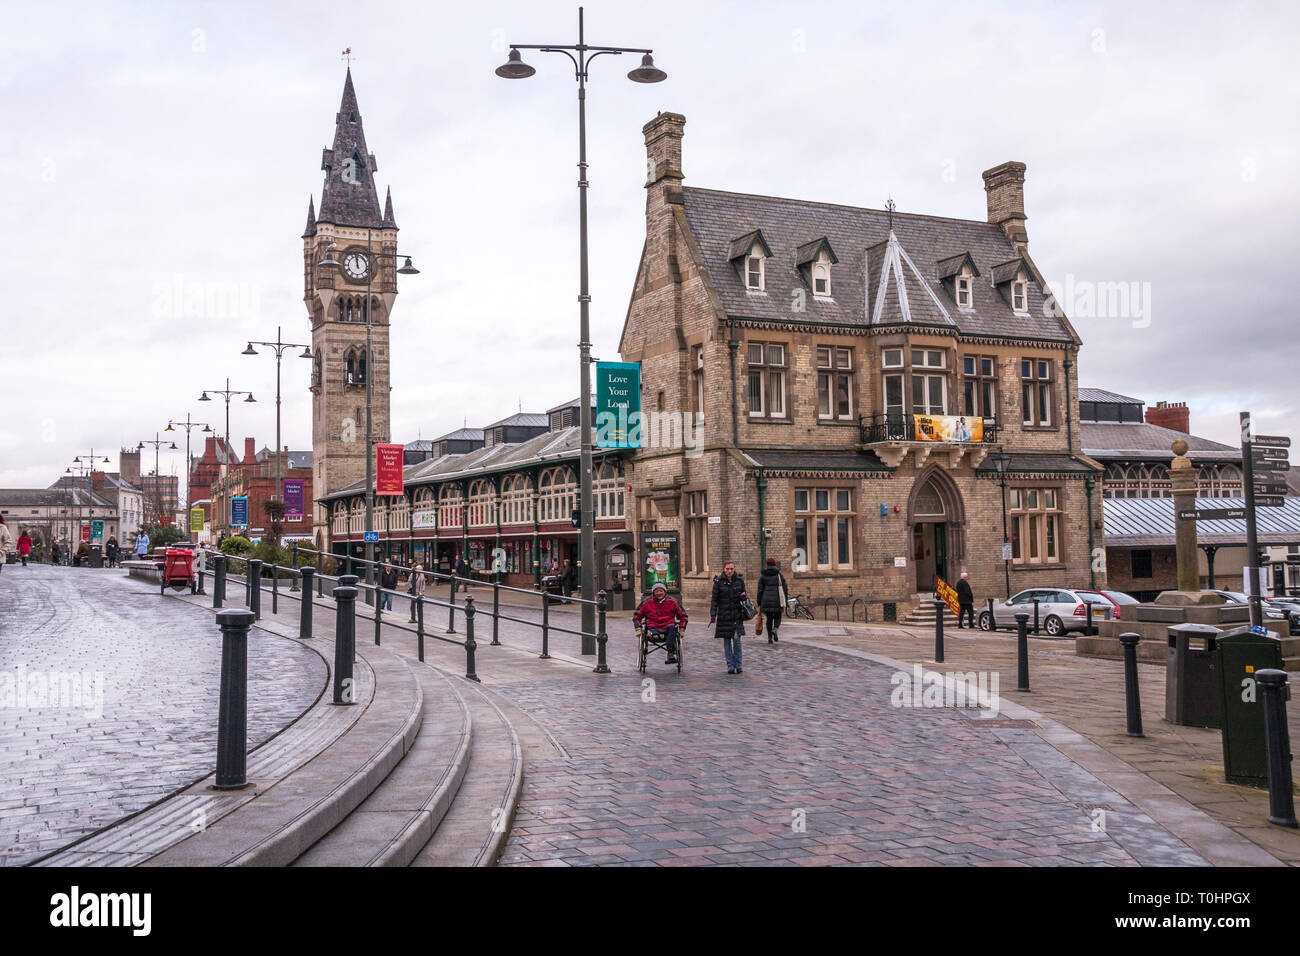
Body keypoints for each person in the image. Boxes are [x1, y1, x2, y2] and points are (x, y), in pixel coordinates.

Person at [634, 582, 688, 665]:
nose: (659, 593)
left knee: (671, 628)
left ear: (665, 592)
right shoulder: (647, 603)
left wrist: (682, 628)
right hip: (653, 628)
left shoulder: (673, 602)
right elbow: (637, 617)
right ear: (653, 593)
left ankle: (670, 653)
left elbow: (683, 616)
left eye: (661, 591)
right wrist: (638, 628)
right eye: (657, 591)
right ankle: (649, 643)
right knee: (650, 631)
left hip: (668, 628)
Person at [710, 560, 749, 675]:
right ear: (724, 569)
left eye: (731, 569)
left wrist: (743, 597)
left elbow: (744, 596)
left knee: (737, 639)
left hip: (737, 615)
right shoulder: (718, 582)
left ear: (734, 569)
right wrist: (713, 614)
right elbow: (714, 600)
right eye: (727, 569)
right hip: (724, 615)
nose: (729, 571)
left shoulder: (739, 581)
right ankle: (730, 665)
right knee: (727, 641)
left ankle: (739, 664)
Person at [756, 557, 789, 644]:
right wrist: (785, 598)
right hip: (777, 600)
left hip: (766, 599)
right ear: (774, 564)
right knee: (778, 616)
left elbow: (760, 590)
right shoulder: (779, 574)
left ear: (767, 565)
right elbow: (785, 587)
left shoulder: (763, 575)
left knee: (769, 619)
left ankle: (770, 638)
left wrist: (759, 602)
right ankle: (775, 629)